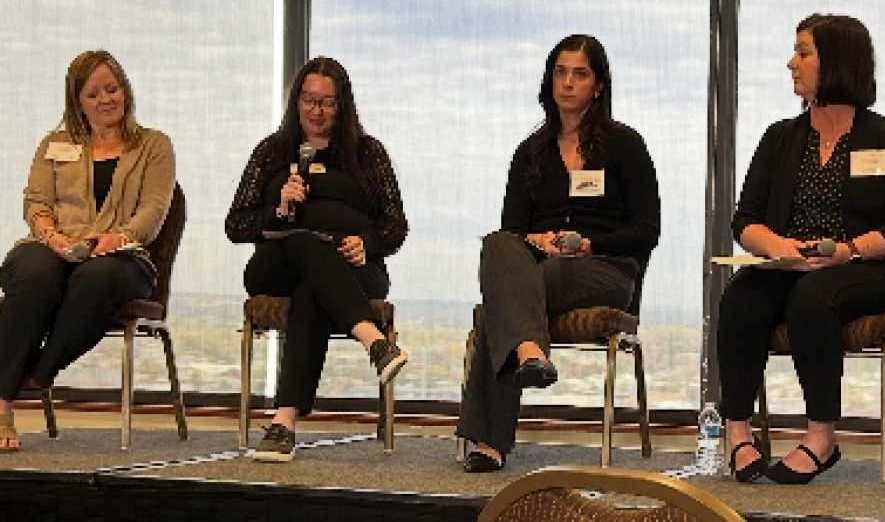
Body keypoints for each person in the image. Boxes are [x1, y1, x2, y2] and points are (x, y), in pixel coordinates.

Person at [717, 15, 885, 484]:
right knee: (741, 298)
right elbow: (744, 219)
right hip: (789, 264)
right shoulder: (780, 138)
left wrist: (847, 250)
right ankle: (738, 433)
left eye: (803, 52)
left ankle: (822, 435)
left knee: (812, 298)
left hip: (867, 268)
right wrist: (778, 247)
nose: (791, 63)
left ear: (837, 61)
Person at [455, 35, 660, 473]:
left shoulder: (625, 146)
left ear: (599, 85)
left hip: (605, 270)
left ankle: (490, 441)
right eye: (560, 72)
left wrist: (591, 244)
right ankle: (529, 352)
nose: (567, 83)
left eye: (579, 74)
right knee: (497, 244)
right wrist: (537, 241)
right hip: (542, 267)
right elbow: (512, 230)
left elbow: (647, 231)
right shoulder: (532, 152)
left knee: (503, 302)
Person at [226, 56, 409, 462]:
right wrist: (277, 207)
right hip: (277, 263)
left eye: (327, 102)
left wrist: (368, 243)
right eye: (308, 100)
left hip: (355, 270)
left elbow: (395, 225)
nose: (316, 111)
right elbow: (236, 226)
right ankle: (373, 340)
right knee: (304, 242)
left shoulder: (368, 153)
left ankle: (283, 423)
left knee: (313, 290)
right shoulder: (272, 152)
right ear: (296, 102)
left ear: (342, 106)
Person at [0, 51, 176, 453]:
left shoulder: (154, 145)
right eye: (93, 93)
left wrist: (120, 237)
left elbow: (154, 208)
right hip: (55, 246)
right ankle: (2, 407)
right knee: (32, 272)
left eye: (112, 89)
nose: (105, 99)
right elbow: (36, 203)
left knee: (97, 277)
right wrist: (50, 235)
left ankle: (40, 373)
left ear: (125, 90)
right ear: (77, 100)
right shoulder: (55, 144)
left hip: (123, 256)